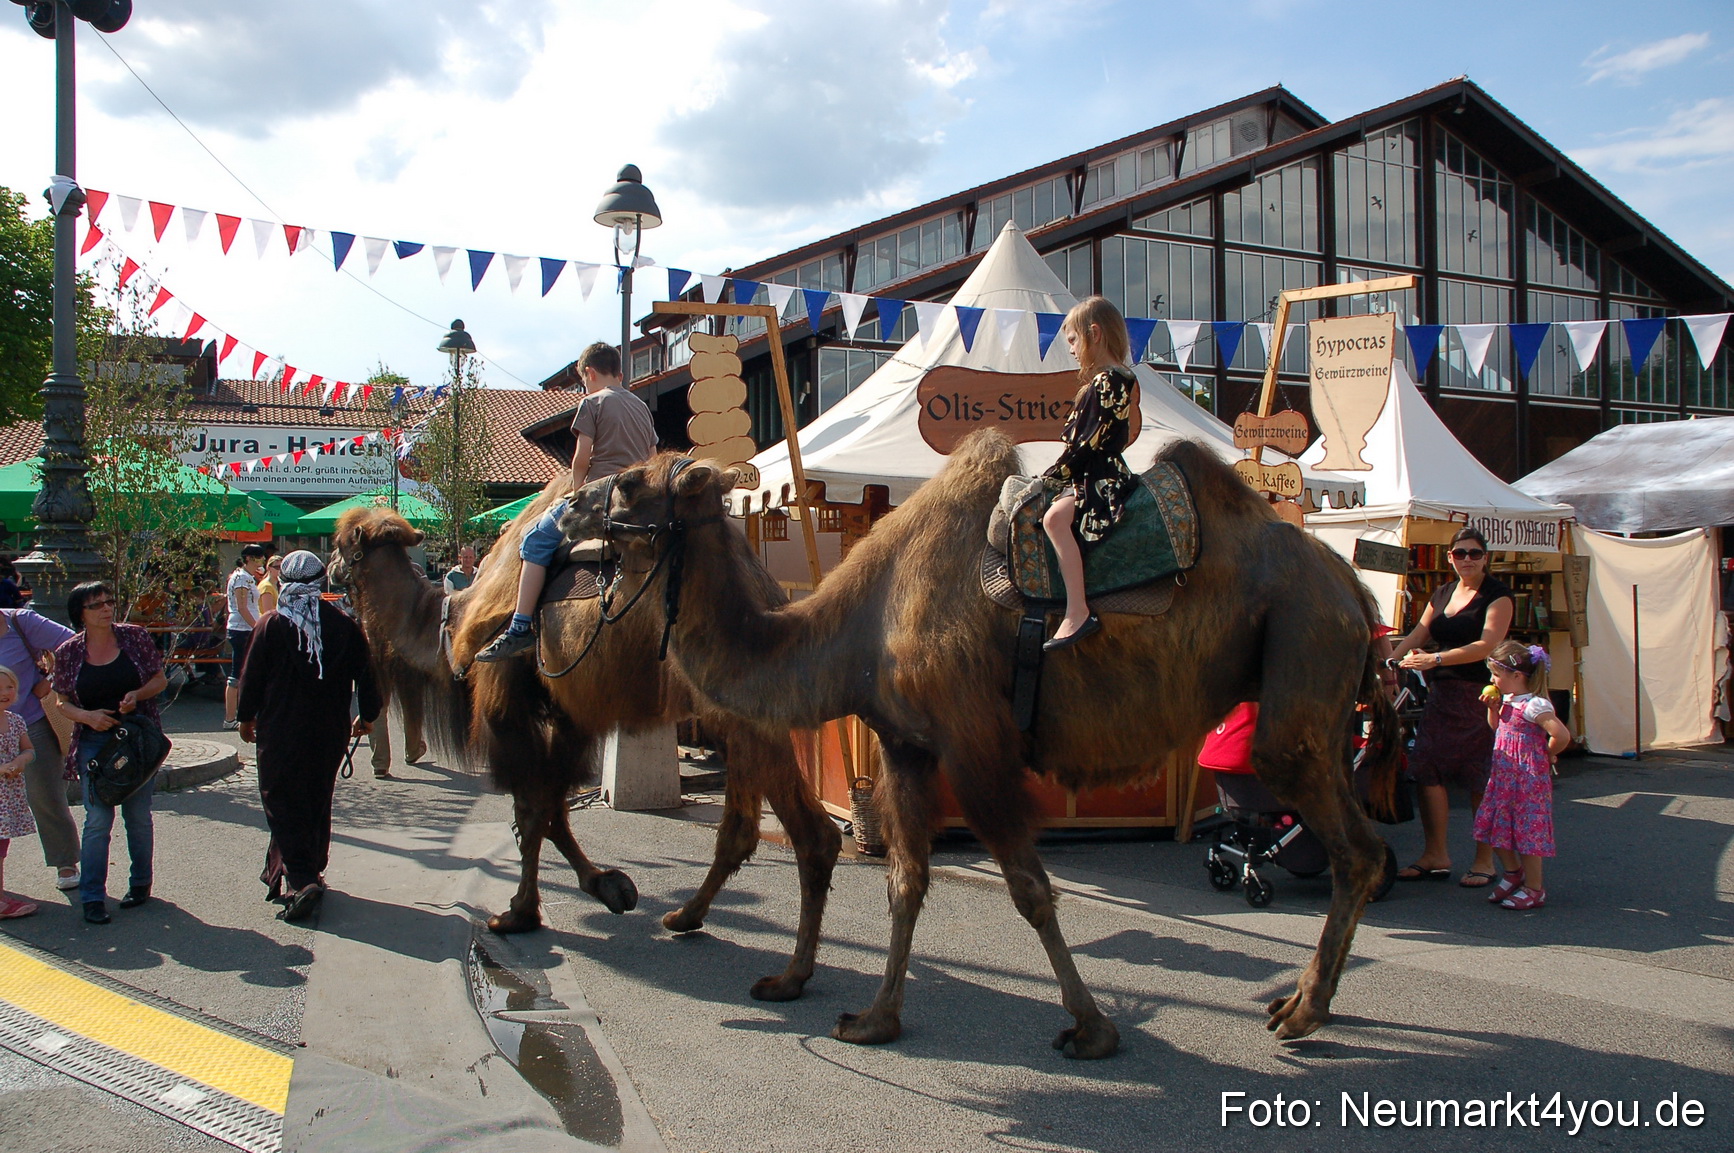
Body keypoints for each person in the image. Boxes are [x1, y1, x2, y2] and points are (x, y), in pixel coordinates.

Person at [476, 342, 657, 661]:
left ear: (588, 373)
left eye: (584, 380)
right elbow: (653, 461)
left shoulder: (593, 402)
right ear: (620, 372)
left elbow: (580, 460)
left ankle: (519, 629)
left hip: (601, 495)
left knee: (533, 539)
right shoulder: (641, 407)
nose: (585, 385)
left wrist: (577, 495)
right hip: (638, 499)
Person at [237, 551, 381, 922]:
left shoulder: (271, 624)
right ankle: (309, 867)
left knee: (282, 801)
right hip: (328, 731)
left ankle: (301, 879)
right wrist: (366, 717)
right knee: (316, 798)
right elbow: (368, 676)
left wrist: (245, 718)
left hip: (281, 730)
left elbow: (250, 678)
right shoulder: (344, 626)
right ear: (320, 584)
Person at [1386, 527, 1514, 887]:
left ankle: (1485, 861)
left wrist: (1436, 660)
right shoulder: (1442, 593)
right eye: (1460, 553)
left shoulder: (1497, 596)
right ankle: (1435, 854)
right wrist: (1389, 663)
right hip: (1442, 696)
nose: (1467, 559)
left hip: (1479, 695)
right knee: (1427, 768)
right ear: (1450, 558)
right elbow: (1416, 635)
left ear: (1485, 557)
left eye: (1474, 553)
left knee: (1479, 777)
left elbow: (1487, 645)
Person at [51, 582, 169, 924]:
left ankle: (141, 884)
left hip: (136, 740)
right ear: (81, 615)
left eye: (109, 601)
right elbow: (61, 701)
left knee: (138, 816)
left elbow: (159, 679)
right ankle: (92, 897)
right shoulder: (69, 652)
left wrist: (137, 693)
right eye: (96, 605)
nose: (106, 609)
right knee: (98, 820)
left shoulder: (134, 637)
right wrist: (88, 716)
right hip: (94, 742)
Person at [1039, 295, 1138, 651]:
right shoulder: (1115, 379)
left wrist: (1054, 474)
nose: (1071, 350)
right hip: (1093, 471)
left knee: (1053, 521)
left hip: (1098, 477)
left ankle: (1077, 610)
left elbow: (1087, 444)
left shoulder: (1107, 381)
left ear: (1094, 334)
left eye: (1072, 341)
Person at [1476, 641, 1570, 910]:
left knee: (1528, 835)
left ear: (1517, 676)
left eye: (1496, 674)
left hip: (1527, 779)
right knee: (1493, 826)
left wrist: (1548, 754)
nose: (1492, 680)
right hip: (1504, 778)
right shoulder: (1506, 699)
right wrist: (1492, 709)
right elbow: (1498, 729)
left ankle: (1534, 888)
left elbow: (1561, 735)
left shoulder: (1534, 705)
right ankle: (1513, 872)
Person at [0, 601, 78, 890]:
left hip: (30, 722)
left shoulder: (21, 622)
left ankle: (65, 863)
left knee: (46, 796)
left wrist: (51, 681)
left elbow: (76, 645)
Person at [0, 666, 40, 919]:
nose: (4, 692)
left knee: (2, 848)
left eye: (9, 687)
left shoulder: (15, 720)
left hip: (7, 796)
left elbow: (29, 749)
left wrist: (21, 761)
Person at [224, 544, 269, 729]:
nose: (263, 561)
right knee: (238, 674)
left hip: (245, 629)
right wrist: (257, 627)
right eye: (259, 558)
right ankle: (230, 718)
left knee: (247, 673)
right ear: (249, 558)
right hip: (242, 630)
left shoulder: (247, 578)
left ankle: (244, 714)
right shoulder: (241, 578)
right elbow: (242, 607)